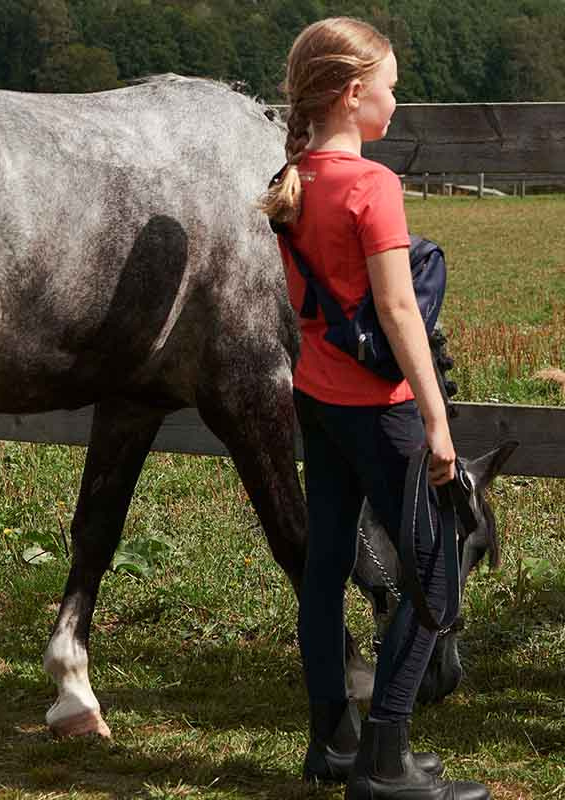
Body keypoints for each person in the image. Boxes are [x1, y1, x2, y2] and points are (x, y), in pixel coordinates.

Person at [258, 17, 490, 800]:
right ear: (355, 95)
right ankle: (387, 761)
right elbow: (398, 313)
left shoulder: (294, 180)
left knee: (324, 569)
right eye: (390, 86)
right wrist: (436, 422)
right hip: (379, 408)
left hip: (315, 400)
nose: (397, 99)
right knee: (436, 569)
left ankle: (332, 740)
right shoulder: (371, 185)